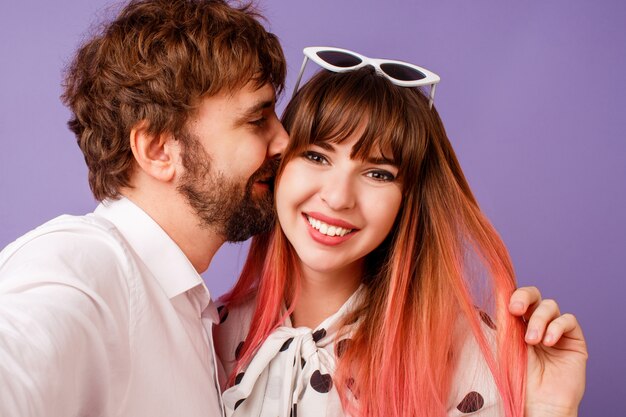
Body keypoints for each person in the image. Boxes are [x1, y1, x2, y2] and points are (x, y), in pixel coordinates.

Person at [214, 49, 587, 417]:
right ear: (279, 161)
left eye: (378, 174)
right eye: (316, 156)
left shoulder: (470, 352)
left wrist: (552, 410)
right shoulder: (212, 332)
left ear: (407, 198)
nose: (338, 197)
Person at [0, 1, 288, 416]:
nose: (283, 141)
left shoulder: (189, 307)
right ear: (157, 150)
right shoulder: (81, 269)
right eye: (257, 119)